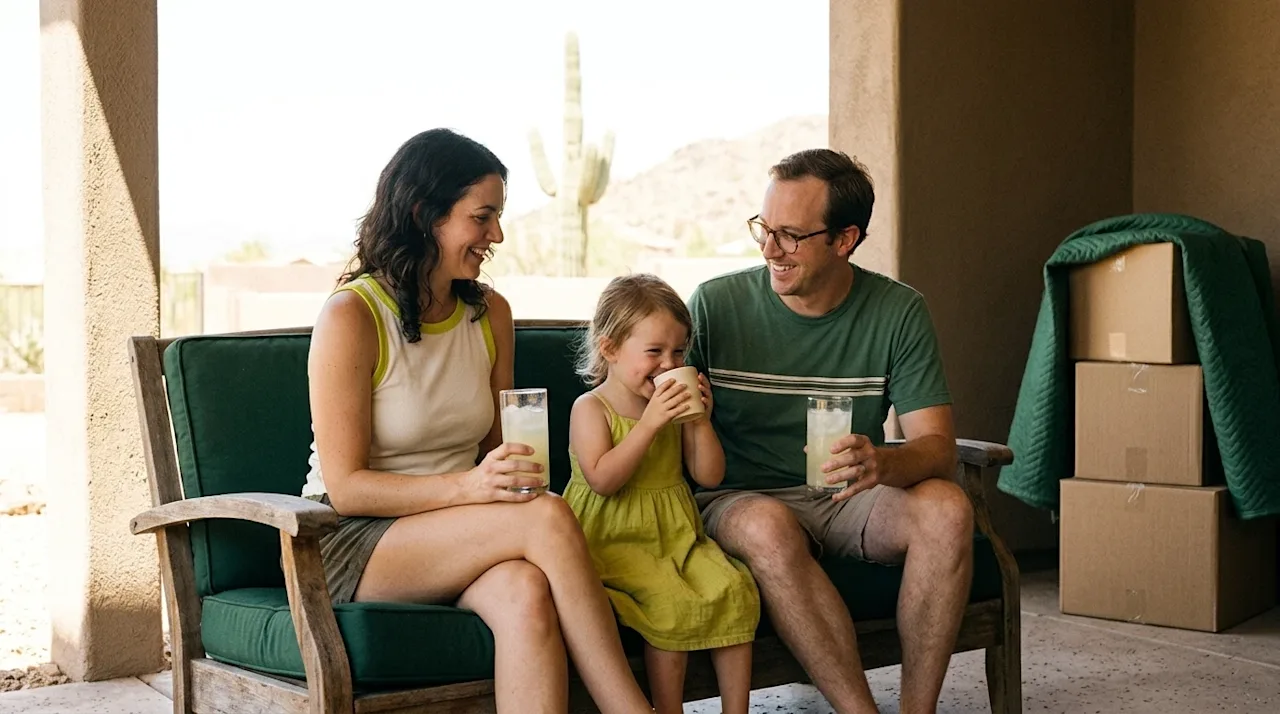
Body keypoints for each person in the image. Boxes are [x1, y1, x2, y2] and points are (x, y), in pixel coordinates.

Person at [303, 128, 654, 714]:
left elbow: (499, 448)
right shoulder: (353, 315)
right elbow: (346, 487)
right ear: (424, 215)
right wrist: (471, 487)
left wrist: (502, 478)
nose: (496, 234)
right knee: (544, 518)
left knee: (525, 592)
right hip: (349, 540)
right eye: (482, 216)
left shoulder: (490, 312)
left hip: (456, 526)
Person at [685, 149, 972, 714]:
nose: (770, 249)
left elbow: (937, 447)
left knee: (948, 509)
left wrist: (881, 464)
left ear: (845, 240)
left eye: (790, 235)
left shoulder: (898, 311)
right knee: (768, 526)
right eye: (764, 229)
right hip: (740, 497)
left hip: (846, 497)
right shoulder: (715, 305)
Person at [565, 274, 761, 714]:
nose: (668, 364)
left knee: (734, 587)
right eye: (653, 352)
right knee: (669, 604)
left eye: (678, 352)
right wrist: (651, 423)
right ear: (610, 348)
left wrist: (699, 421)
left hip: (675, 536)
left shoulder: (676, 409)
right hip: (610, 539)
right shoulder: (591, 408)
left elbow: (709, 476)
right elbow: (602, 480)